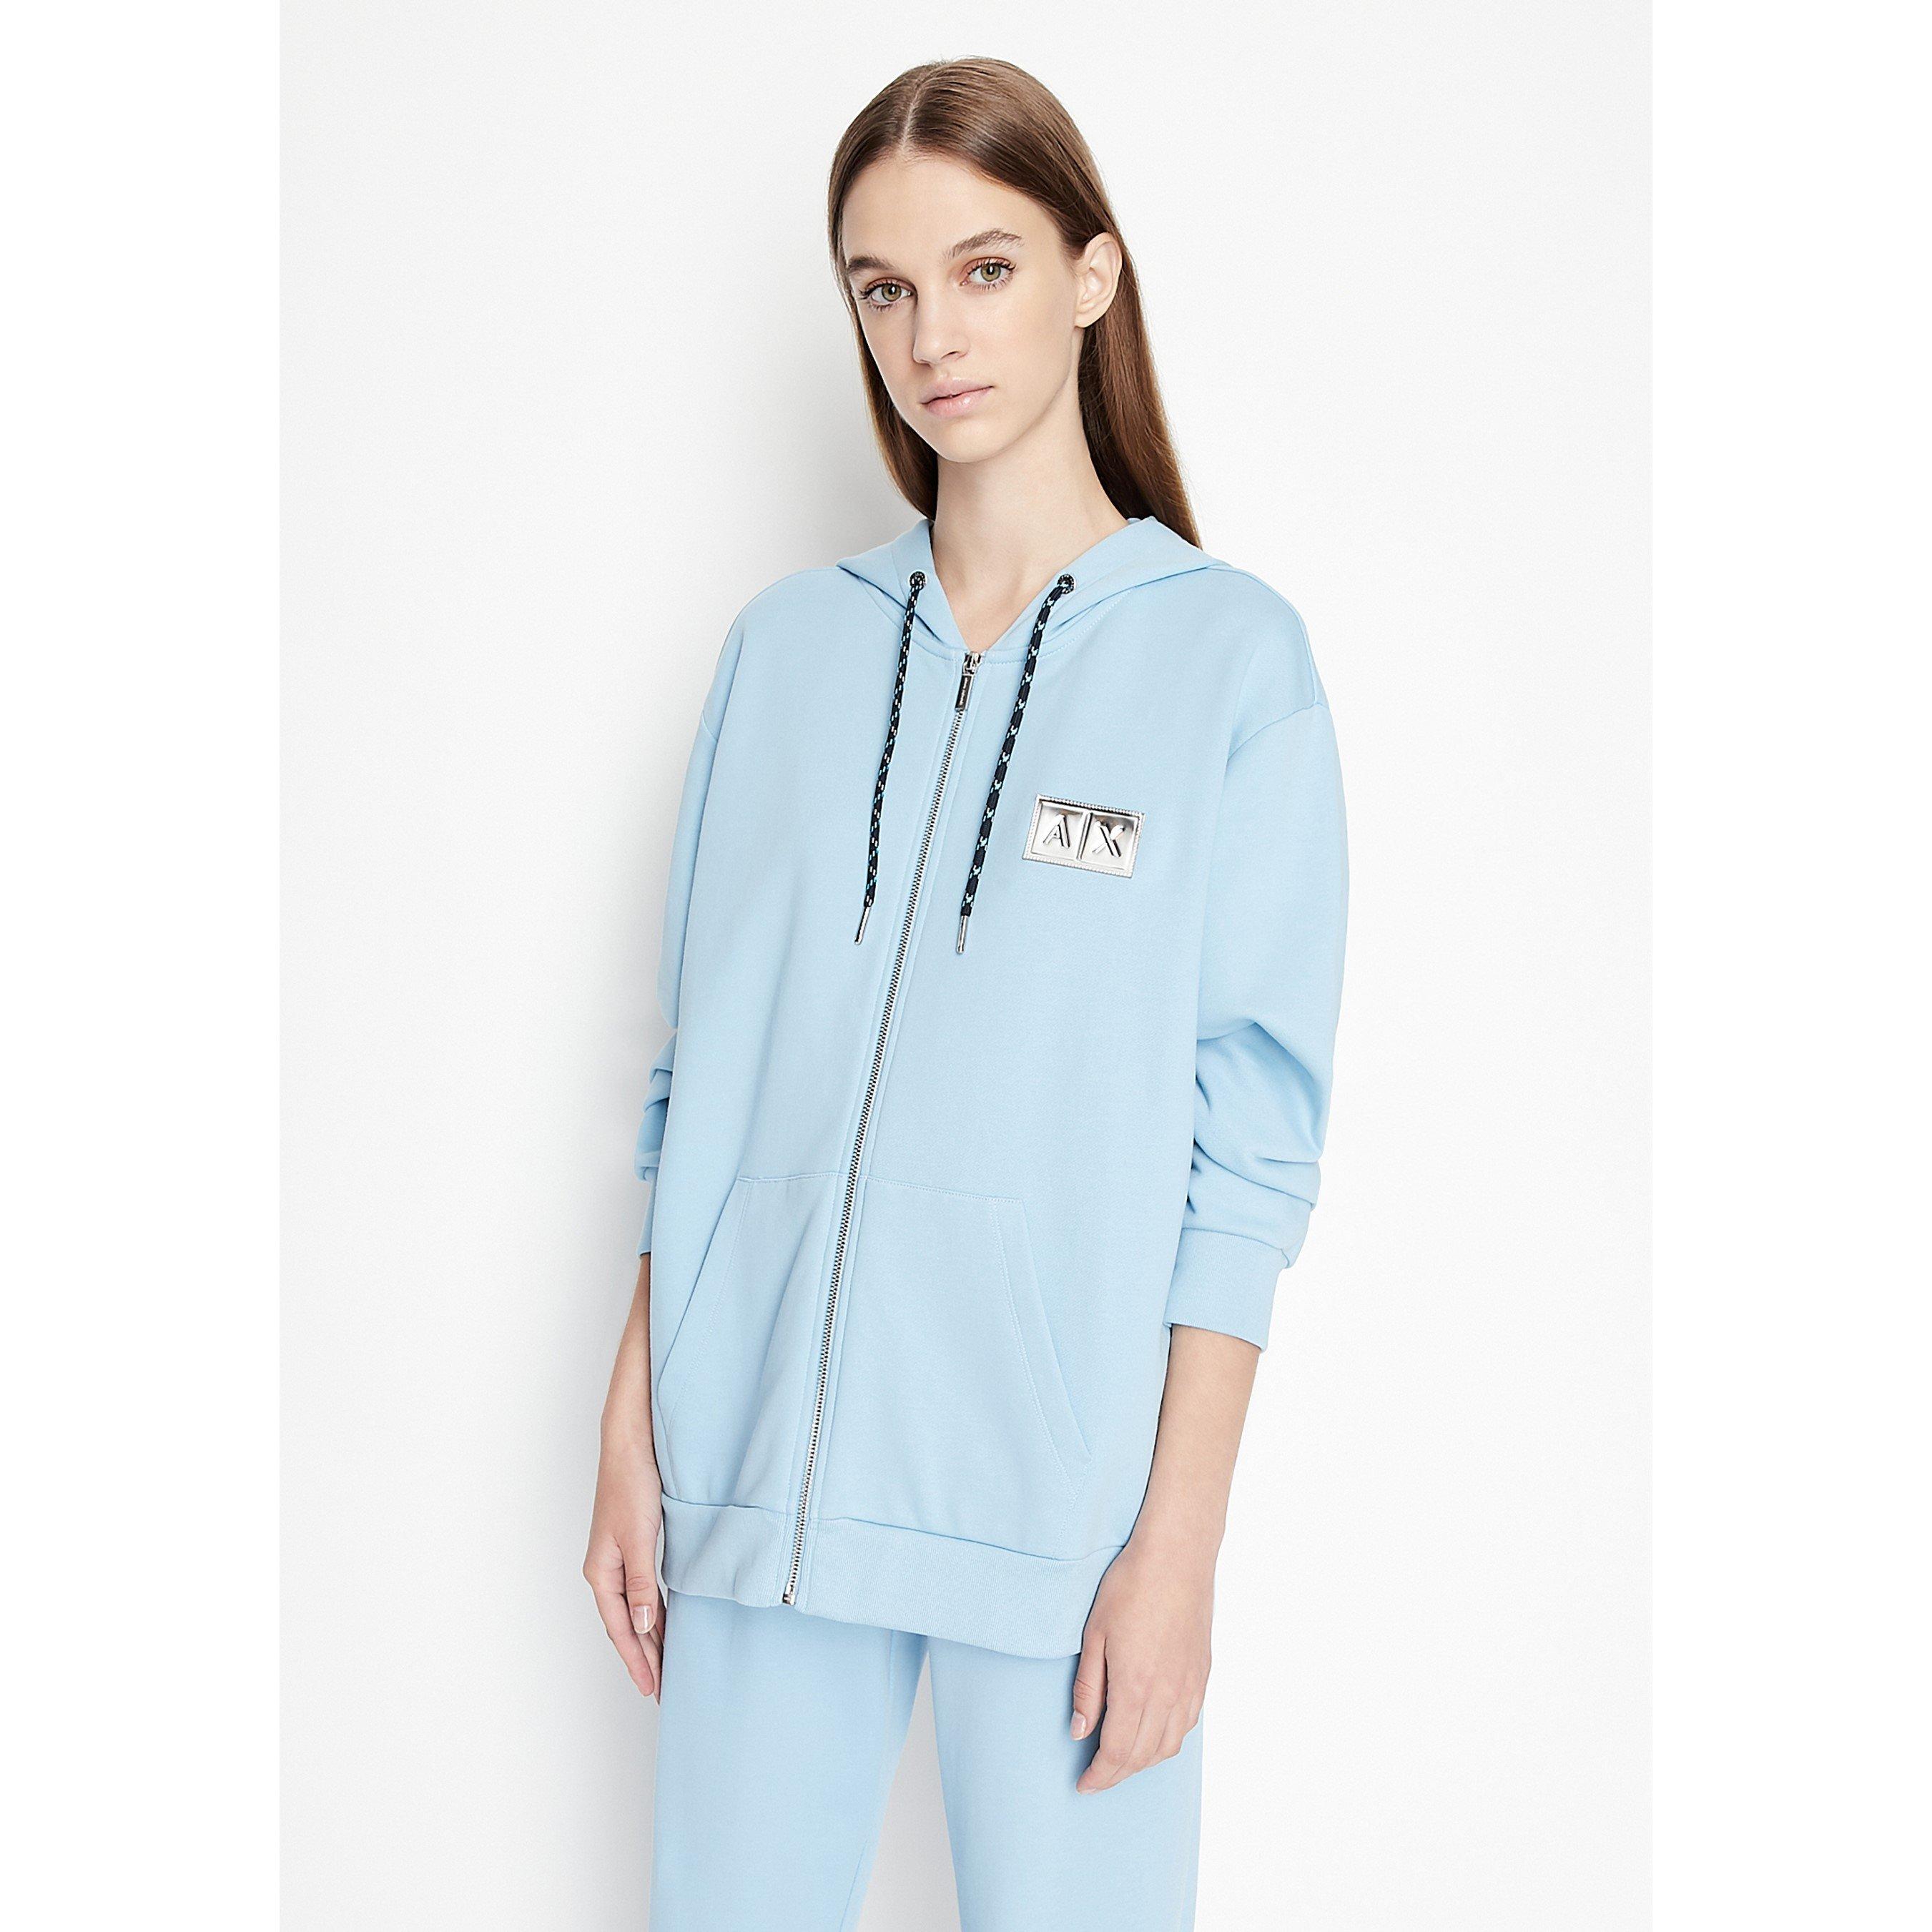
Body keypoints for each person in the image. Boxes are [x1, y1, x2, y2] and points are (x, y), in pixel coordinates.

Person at [586, 55, 1348, 1931]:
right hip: (757, 1475)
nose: (933, 334)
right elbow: (706, 1076)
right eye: (885, 286)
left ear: (1093, 273)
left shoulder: (1230, 664)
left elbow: (1247, 1154)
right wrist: (634, 1428)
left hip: (1061, 1513)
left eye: (984, 269)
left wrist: (1179, 1548)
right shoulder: (783, 655)